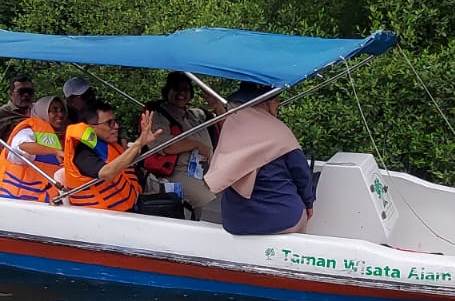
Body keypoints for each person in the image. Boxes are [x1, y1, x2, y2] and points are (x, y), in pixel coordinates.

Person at [205, 83, 316, 235]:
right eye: (276, 100)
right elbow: (302, 176)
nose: (278, 104)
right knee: (303, 214)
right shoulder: (280, 132)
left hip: (235, 221)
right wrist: (309, 204)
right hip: (283, 219)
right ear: (267, 104)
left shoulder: (230, 129)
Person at [60, 100, 162, 211]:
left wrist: (141, 142)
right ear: (91, 128)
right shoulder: (82, 154)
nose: (116, 126)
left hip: (129, 208)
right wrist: (139, 143)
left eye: (116, 121)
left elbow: (126, 161)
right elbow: (106, 173)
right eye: (110, 123)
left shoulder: (109, 145)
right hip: (104, 218)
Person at [144, 72, 220, 219]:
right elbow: (165, 146)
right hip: (178, 172)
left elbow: (227, 125)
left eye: (185, 90)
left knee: (233, 194)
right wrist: (196, 145)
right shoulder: (158, 115)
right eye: (176, 89)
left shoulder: (197, 114)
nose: (181, 94)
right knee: (211, 203)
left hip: (209, 169)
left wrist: (217, 105)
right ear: (167, 91)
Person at [0, 95, 67, 202]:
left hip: (41, 200)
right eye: (54, 111)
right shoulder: (28, 130)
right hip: (13, 200)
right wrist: (55, 151)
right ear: (43, 111)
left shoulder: (59, 136)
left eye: (62, 110)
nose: (60, 114)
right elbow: (22, 146)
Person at [0, 76, 35, 142]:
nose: (26, 95)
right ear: (11, 94)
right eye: (21, 91)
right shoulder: (1, 113)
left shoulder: (40, 110)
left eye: (30, 91)